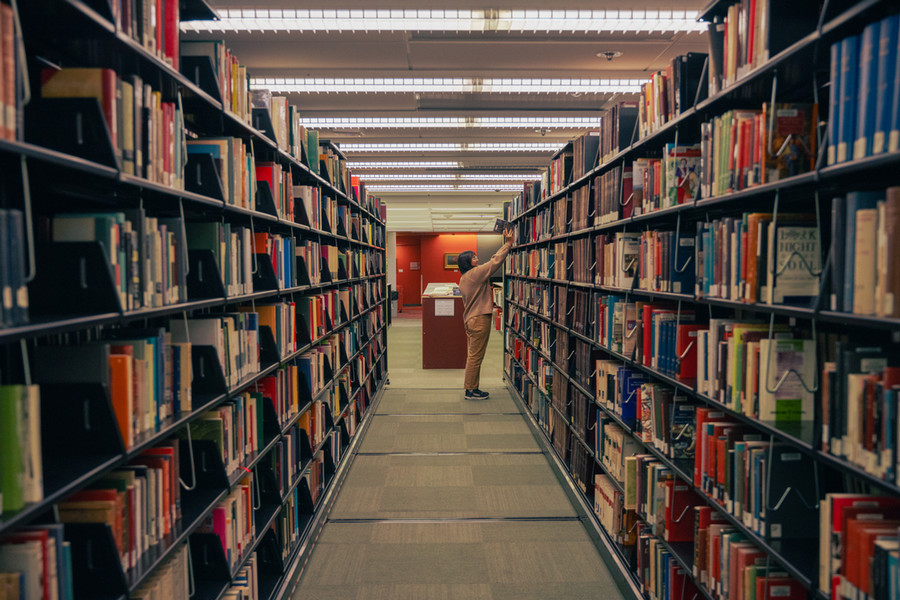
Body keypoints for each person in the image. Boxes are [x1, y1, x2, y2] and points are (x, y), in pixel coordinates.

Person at [456, 228, 515, 399]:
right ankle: (470, 390)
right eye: (474, 257)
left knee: (474, 355)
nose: (477, 258)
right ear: (468, 262)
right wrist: (508, 244)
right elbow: (494, 262)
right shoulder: (475, 274)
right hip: (479, 319)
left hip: (471, 319)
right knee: (475, 357)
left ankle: (472, 387)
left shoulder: (465, 277)